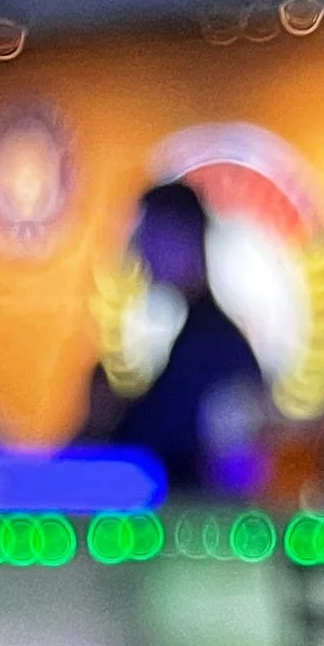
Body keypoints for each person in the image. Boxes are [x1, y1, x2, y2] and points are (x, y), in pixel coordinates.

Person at [81, 181, 270, 495]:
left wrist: (105, 424)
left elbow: (169, 449)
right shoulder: (201, 336)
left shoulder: (213, 345)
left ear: (184, 237)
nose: (140, 253)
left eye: (150, 236)